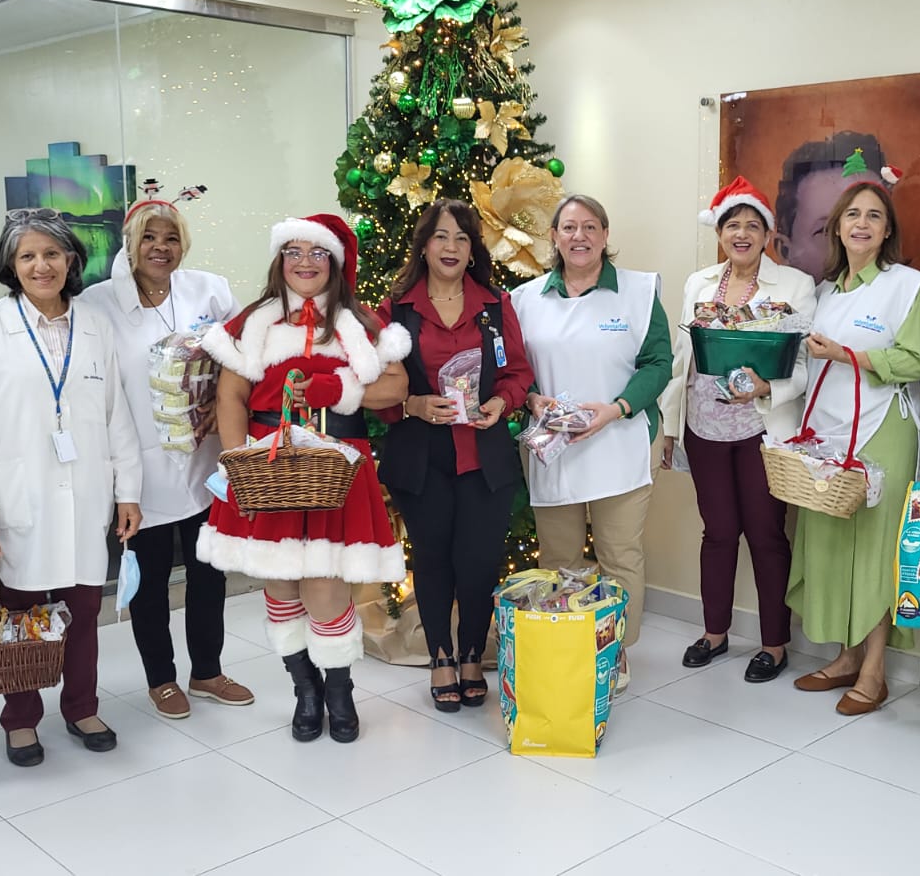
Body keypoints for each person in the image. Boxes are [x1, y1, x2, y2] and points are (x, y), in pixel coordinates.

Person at [196, 214, 410, 744]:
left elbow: (396, 387)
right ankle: (304, 688)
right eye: (293, 251)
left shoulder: (360, 322)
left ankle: (339, 689)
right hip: (270, 465)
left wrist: (335, 390)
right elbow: (231, 397)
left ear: (334, 261)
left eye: (317, 252)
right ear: (280, 260)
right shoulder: (254, 321)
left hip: (338, 467)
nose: (305, 262)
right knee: (280, 578)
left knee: (325, 582)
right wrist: (238, 468)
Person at [0, 208, 144, 768]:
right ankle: (20, 718)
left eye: (52, 254)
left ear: (70, 260)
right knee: (20, 616)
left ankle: (82, 707)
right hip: (18, 496)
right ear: (11, 265)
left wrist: (127, 490)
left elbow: (116, 414)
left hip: (85, 492)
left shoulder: (95, 325)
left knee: (83, 610)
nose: (42, 266)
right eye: (28, 256)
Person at [81, 187, 253, 720]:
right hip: (140, 466)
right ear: (130, 244)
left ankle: (207, 671)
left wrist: (223, 410)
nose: (160, 247)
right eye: (149, 238)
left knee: (208, 573)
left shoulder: (209, 290)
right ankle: (161, 678)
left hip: (204, 460)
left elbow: (241, 358)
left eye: (171, 238)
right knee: (150, 580)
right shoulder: (98, 305)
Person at [376, 199, 533, 711]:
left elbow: (518, 372)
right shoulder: (396, 311)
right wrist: (411, 404)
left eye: (462, 238)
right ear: (424, 246)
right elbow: (371, 384)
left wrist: (502, 402)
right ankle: (440, 655)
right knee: (432, 558)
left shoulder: (495, 305)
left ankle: (470, 653)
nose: (451, 247)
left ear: (472, 250)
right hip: (421, 458)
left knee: (479, 560)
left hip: (483, 456)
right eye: (441, 237)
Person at [510, 194, 673, 688]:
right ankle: (567, 647)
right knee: (559, 558)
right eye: (568, 227)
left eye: (589, 227)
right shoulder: (524, 299)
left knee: (619, 556)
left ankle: (615, 651)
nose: (578, 236)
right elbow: (513, 368)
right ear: (554, 237)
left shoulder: (638, 292)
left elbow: (658, 364)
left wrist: (616, 409)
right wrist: (532, 399)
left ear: (605, 235)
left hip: (621, 441)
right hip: (552, 449)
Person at [659, 177, 816, 681]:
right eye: (732, 225)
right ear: (719, 233)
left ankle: (774, 643)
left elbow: (805, 365)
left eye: (752, 225)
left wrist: (768, 388)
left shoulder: (794, 285)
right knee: (718, 532)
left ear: (767, 234)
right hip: (704, 426)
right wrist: (670, 425)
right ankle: (714, 633)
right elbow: (682, 359)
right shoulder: (698, 283)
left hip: (761, 428)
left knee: (766, 534)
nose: (742, 234)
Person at [787, 180, 920, 715]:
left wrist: (849, 355)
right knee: (831, 544)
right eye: (853, 214)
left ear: (888, 229)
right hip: (828, 432)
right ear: (837, 226)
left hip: (884, 428)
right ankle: (846, 657)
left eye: (874, 215)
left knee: (875, 551)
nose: (862, 224)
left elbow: (917, 362)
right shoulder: (825, 292)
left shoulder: (910, 287)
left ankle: (875, 671)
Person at [774, 131, 888, 281]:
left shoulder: (908, 290)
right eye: (827, 230)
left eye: (873, 216)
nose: (852, 241)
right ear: (785, 251)